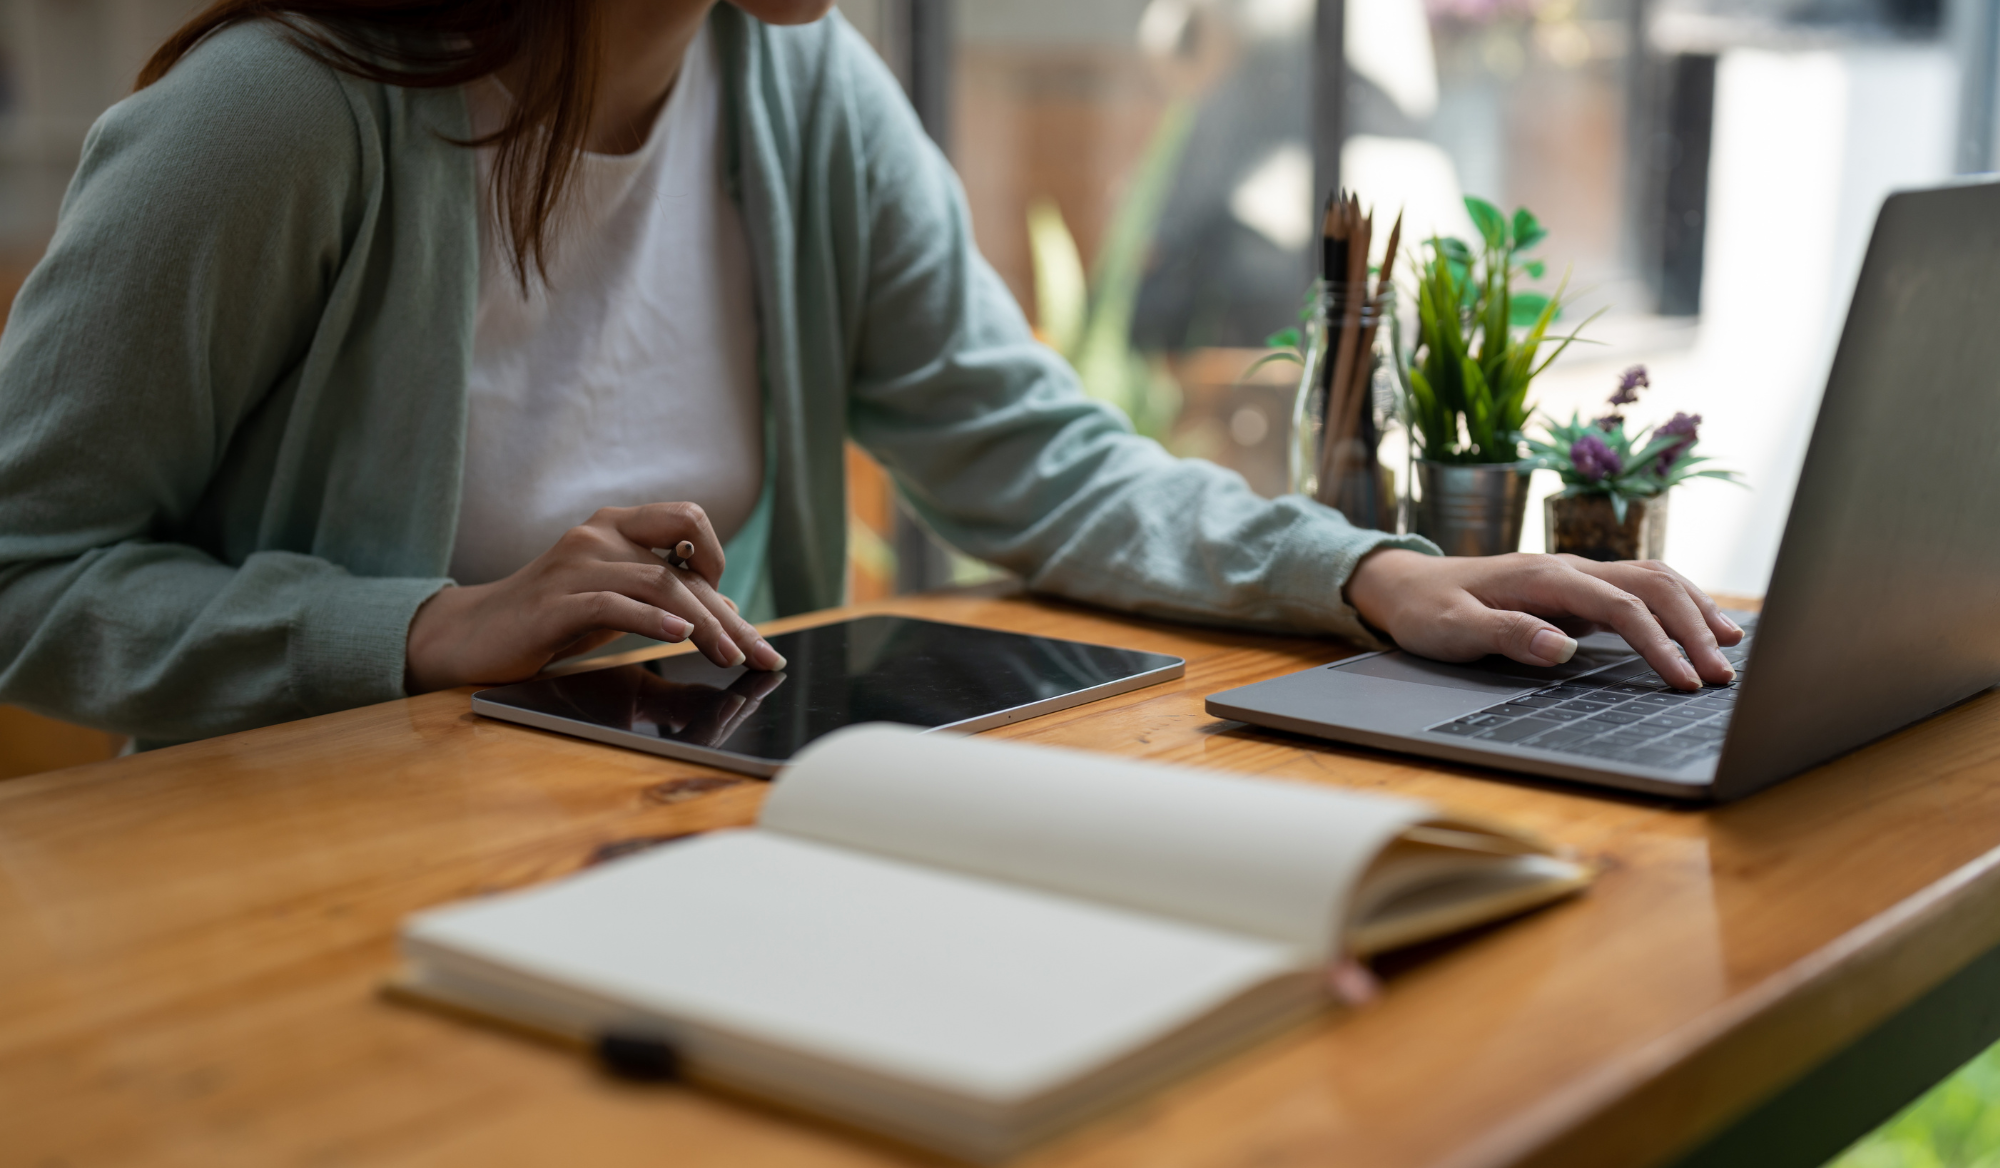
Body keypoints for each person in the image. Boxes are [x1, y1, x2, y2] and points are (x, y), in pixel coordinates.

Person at [0, 0, 1740, 751]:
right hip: (306, 888)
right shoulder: (282, 120)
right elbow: (25, 567)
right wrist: (418, 629)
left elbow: (1035, 453)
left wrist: (1365, 572)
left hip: (664, 843)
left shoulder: (805, 95)